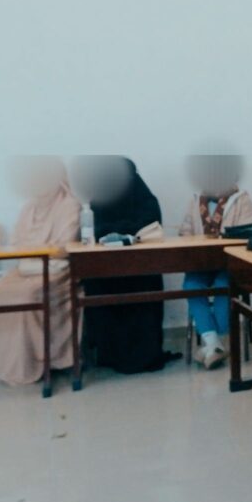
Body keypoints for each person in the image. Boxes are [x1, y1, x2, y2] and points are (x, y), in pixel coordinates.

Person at [0, 157, 81, 386]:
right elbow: (16, 243)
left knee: (26, 295)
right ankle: (16, 366)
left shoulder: (70, 205)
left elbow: (63, 247)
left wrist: (35, 251)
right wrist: (33, 253)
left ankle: (44, 361)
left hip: (58, 273)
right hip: (26, 269)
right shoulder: (28, 207)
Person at [78, 156, 174, 374]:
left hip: (141, 268)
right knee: (95, 285)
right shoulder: (99, 199)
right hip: (107, 269)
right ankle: (110, 354)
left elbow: (150, 225)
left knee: (144, 290)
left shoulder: (145, 198)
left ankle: (145, 355)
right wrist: (125, 230)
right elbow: (93, 229)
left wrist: (117, 230)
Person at [178, 154, 252, 369]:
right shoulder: (196, 200)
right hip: (200, 263)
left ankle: (215, 341)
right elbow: (185, 232)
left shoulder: (242, 199)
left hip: (229, 263)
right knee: (191, 285)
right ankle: (215, 344)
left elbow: (245, 234)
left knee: (224, 285)